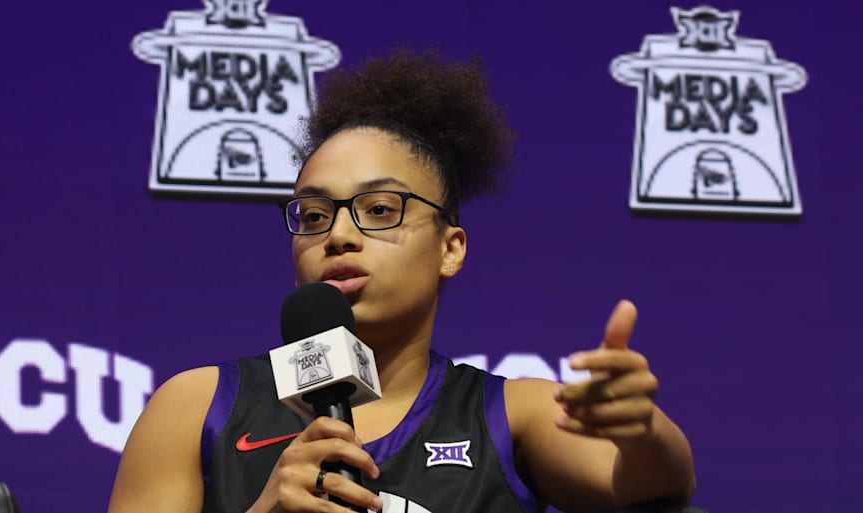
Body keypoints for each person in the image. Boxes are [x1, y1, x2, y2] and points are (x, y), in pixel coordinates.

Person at [107, 48, 695, 513]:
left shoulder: (517, 414)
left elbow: (647, 487)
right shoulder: (198, 406)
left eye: (380, 209)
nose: (338, 235)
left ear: (450, 248)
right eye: (314, 215)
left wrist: (643, 432)